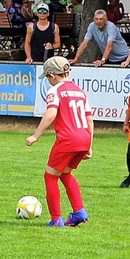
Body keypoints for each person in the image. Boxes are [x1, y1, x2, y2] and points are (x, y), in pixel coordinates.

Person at [26, 56, 93, 227]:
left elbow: (51, 114)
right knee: (65, 173)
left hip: (67, 139)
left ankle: (56, 219)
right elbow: (89, 119)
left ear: (52, 75)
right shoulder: (79, 91)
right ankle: (79, 212)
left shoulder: (55, 91)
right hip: (84, 138)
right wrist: (89, 145)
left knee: (50, 176)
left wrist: (35, 136)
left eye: (48, 78)